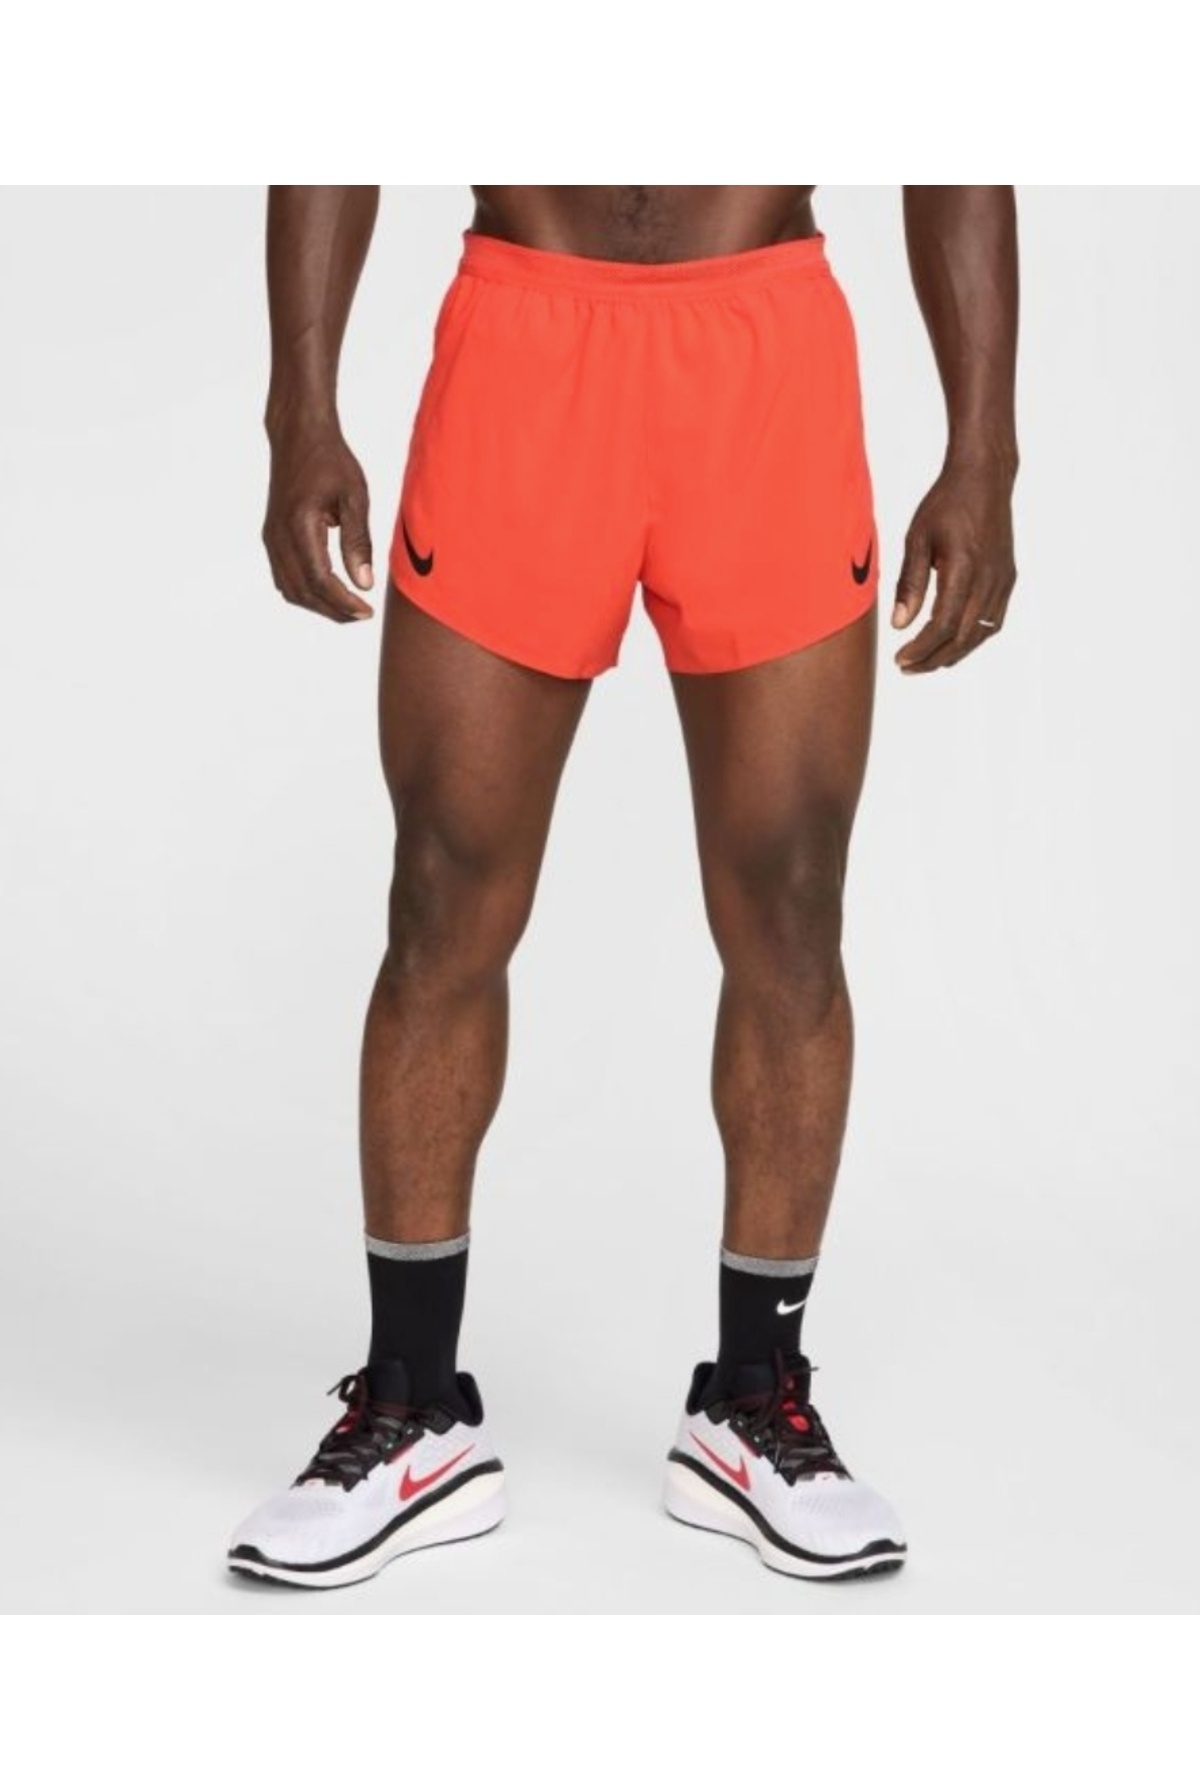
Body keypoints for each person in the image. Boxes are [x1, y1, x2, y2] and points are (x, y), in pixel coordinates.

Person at [228, 186, 1018, 1588]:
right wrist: (301, 407)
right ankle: (413, 1408)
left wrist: (983, 452)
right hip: (523, 344)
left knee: (791, 900)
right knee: (442, 887)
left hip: (762, 350)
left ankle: (754, 1405)